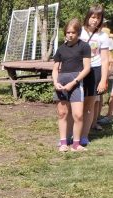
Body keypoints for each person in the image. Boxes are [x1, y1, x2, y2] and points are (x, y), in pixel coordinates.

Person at [53, 19, 91, 152]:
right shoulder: (61, 49)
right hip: (61, 82)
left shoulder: (84, 46)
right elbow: (55, 69)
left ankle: (76, 144)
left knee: (78, 115)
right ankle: (63, 143)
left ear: (78, 33)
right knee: (62, 113)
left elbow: (87, 68)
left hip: (75, 82)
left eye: (73, 32)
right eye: (68, 32)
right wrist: (55, 82)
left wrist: (74, 82)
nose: (70, 35)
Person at [79, 4, 109, 144]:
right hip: (78, 70)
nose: (95, 20)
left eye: (98, 18)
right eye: (92, 17)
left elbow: (104, 59)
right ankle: (71, 135)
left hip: (95, 70)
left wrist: (103, 79)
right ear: (88, 17)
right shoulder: (79, 32)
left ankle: (85, 136)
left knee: (89, 106)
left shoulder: (103, 36)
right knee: (76, 104)